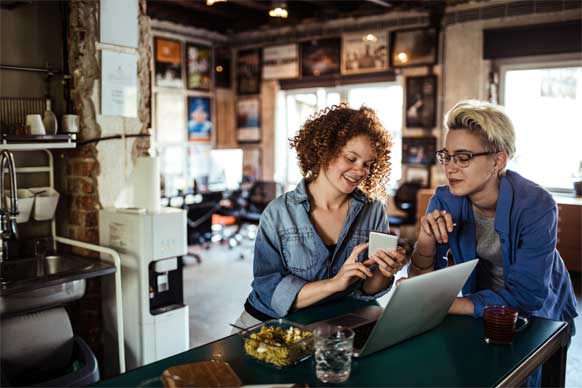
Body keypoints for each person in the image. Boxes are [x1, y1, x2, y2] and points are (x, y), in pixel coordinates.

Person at [408, 100, 577, 387]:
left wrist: (446, 304)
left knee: (531, 379)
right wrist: (424, 243)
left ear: (498, 161)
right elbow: (421, 280)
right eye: (446, 156)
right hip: (481, 306)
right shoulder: (444, 199)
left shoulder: (537, 205)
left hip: (540, 312)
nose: (450, 167)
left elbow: (529, 297)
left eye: (463, 157)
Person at [234, 105, 407, 330]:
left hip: (334, 323)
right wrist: (334, 284)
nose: (360, 170)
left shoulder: (373, 210)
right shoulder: (279, 213)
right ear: (325, 151)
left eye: (367, 164)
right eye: (351, 158)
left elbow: (369, 288)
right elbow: (269, 290)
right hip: (268, 324)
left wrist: (385, 270)